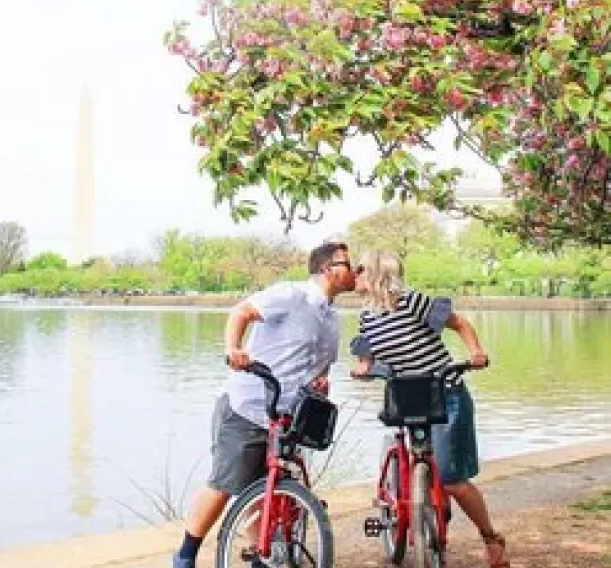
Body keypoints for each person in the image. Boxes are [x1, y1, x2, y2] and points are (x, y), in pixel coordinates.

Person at [172, 241, 356, 568]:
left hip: (288, 417)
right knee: (225, 483)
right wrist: (233, 349)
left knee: (271, 489)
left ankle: (263, 555)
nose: (355, 270)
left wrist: (321, 382)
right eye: (348, 262)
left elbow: (321, 366)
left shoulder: (330, 319)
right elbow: (241, 312)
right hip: (248, 405)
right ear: (328, 269)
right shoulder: (291, 294)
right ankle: (186, 554)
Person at [350, 250, 510, 568]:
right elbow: (366, 355)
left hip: (445, 393)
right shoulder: (367, 316)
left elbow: (459, 324)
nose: (353, 275)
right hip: (407, 396)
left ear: (377, 273)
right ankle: (429, 506)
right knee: (425, 463)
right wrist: (362, 366)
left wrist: (476, 352)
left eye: (359, 269)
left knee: (452, 479)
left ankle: (491, 537)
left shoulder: (412, 301)